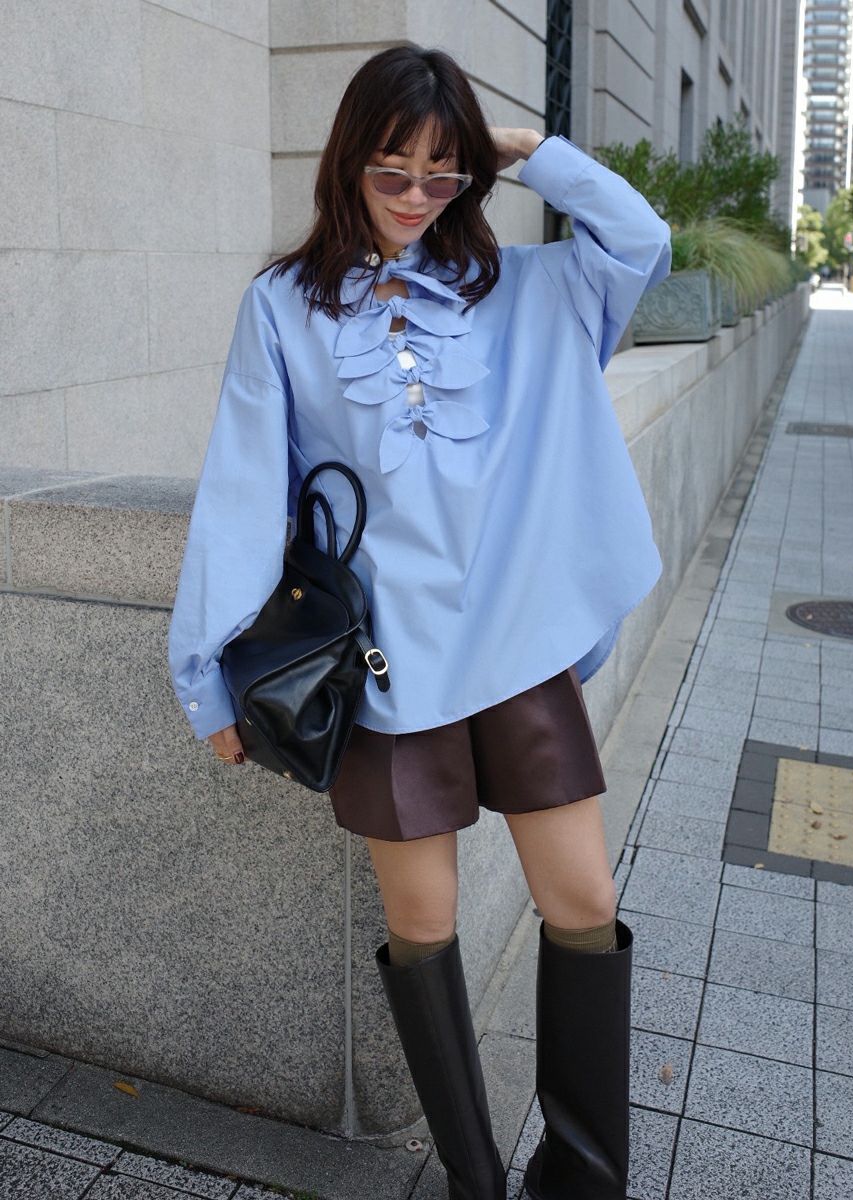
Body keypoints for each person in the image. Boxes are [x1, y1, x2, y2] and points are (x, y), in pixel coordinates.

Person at [167, 44, 671, 1200]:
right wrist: (208, 676)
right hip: (387, 667)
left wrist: (528, 150)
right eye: (391, 168)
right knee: (424, 920)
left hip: (520, 651)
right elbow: (243, 490)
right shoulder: (282, 308)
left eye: (442, 173)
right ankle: (475, 1182)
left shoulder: (531, 290)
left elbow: (640, 240)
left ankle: (582, 1180)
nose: (413, 195)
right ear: (347, 160)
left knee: (585, 903)